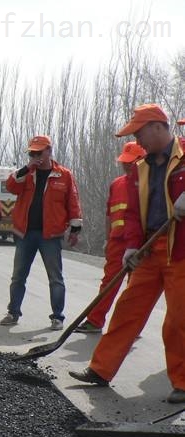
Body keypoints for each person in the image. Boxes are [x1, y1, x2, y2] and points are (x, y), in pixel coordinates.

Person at [69, 104, 185, 404]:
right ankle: (100, 370)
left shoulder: (184, 155)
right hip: (150, 249)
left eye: (139, 131)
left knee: (177, 319)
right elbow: (133, 212)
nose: (138, 139)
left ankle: (183, 383)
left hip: (180, 250)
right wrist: (132, 246)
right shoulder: (141, 168)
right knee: (126, 310)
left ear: (158, 126)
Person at [0, 135, 82, 331]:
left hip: (50, 236)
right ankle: (13, 313)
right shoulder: (26, 174)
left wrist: (75, 228)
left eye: (39, 152)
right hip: (25, 234)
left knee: (55, 278)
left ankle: (57, 317)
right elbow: (10, 186)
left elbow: (73, 201)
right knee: (18, 276)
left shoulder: (64, 175)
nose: (36, 156)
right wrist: (27, 167)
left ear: (49, 151)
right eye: (32, 153)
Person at [75, 141, 146, 334]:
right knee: (109, 283)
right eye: (124, 161)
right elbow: (109, 214)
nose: (125, 165)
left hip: (141, 242)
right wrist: (107, 239)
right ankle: (95, 321)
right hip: (117, 242)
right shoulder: (117, 184)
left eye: (130, 162)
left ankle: (132, 327)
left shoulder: (149, 183)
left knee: (136, 287)